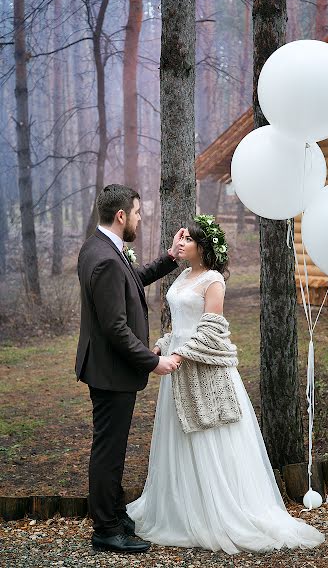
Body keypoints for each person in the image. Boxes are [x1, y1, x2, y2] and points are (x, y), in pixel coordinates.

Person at [126, 215, 325, 554]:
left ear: (203, 247)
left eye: (187, 240)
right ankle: (181, 508)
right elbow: (181, 324)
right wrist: (163, 345)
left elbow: (211, 330)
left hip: (202, 367)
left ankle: (218, 511)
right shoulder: (184, 276)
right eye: (181, 240)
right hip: (175, 365)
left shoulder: (213, 279)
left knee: (210, 435)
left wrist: (181, 355)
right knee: (178, 439)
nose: (181, 244)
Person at [75, 184, 184, 554]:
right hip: (110, 371)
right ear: (121, 216)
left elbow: (132, 278)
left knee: (111, 448)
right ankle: (106, 529)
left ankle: (114, 515)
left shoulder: (99, 247)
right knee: (108, 451)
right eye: (137, 213)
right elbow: (115, 328)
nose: (140, 218)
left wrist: (169, 258)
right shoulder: (105, 258)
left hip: (107, 369)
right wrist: (154, 362)